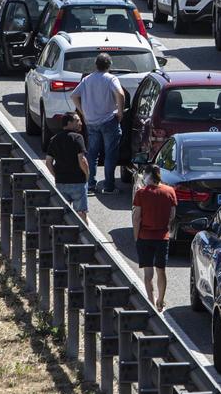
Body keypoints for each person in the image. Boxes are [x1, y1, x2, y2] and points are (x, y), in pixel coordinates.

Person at [71, 53, 125, 194]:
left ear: (96, 65)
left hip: (91, 122)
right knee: (110, 154)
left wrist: (83, 112)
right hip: (108, 121)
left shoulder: (87, 79)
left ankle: (90, 185)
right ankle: (108, 187)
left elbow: (74, 95)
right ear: (109, 66)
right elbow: (120, 94)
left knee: (92, 155)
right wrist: (120, 112)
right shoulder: (111, 78)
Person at [131, 165, 176, 312]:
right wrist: (166, 226)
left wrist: (136, 236)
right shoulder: (169, 192)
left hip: (144, 237)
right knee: (161, 270)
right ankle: (161, 300)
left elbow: (136, 217)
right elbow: (172, 215)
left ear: (148, 176)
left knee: (148, 273)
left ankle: (150, 303)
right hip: (162, 237)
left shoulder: (141, 193)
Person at [45, 112, 89, 222]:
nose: (80, 123)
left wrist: (56, 176)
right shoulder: (78, 137)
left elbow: (48, 162)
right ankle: (83, 238)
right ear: (69, 123)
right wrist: (87, 174)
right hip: (78, 182)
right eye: (77, 120)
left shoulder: (54, 139)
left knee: (62, 215)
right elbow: (82, 160)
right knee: (81, 214)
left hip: (61, 182)